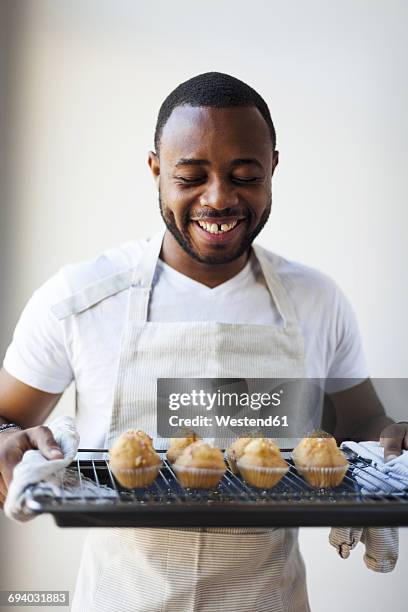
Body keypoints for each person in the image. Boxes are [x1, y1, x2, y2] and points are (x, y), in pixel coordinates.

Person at [0, 71, 406, 612]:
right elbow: (8, 417)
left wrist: (395, 440)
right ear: (155, 171)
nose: (218, 199)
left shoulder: (317, 300)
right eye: (191, 175)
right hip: (121, 598)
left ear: (273, 170)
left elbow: (360, 427)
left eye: (244, 175)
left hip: (270, 598)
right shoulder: (80, 298)